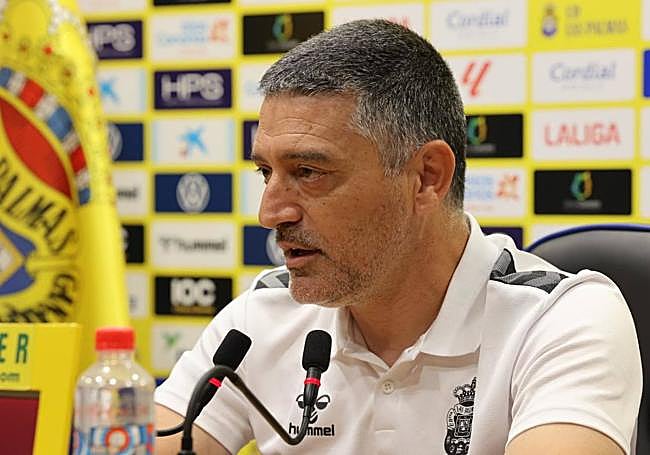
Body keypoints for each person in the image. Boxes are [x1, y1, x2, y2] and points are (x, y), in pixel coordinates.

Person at [154, 19, 641, 455]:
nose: (270, 213)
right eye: (266, 173)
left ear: (427, 177)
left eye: (308, 172)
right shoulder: (260, 317)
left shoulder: (561, 320)